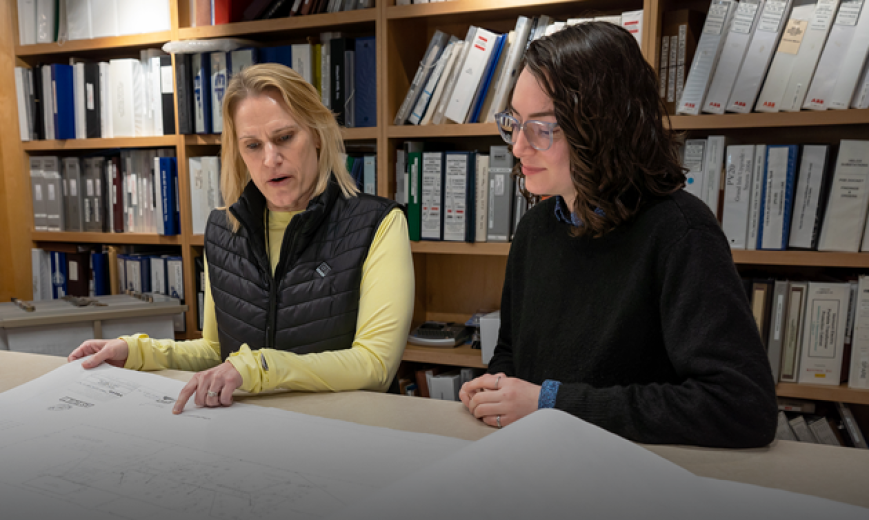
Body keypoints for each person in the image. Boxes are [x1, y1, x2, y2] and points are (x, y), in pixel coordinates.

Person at [459, 22, 777, 448]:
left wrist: (551, 403)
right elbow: (513, 355)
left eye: (541, 128)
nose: (517, 147)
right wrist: (494, 386)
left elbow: (741, 406)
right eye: (513, 123)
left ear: (602, 128)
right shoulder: (536, 228)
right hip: (540, 465)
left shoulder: (681, 231)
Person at [69, 64, 414, 414]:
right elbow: (216, 351)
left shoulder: (378, 223)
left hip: (345, 434)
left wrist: (258, 368)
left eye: (284, 138)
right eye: (252, 145)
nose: (270, 159)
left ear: (318, 135)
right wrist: (136, 351)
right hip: (246, 433)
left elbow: (375, 366)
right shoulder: (222, 229)